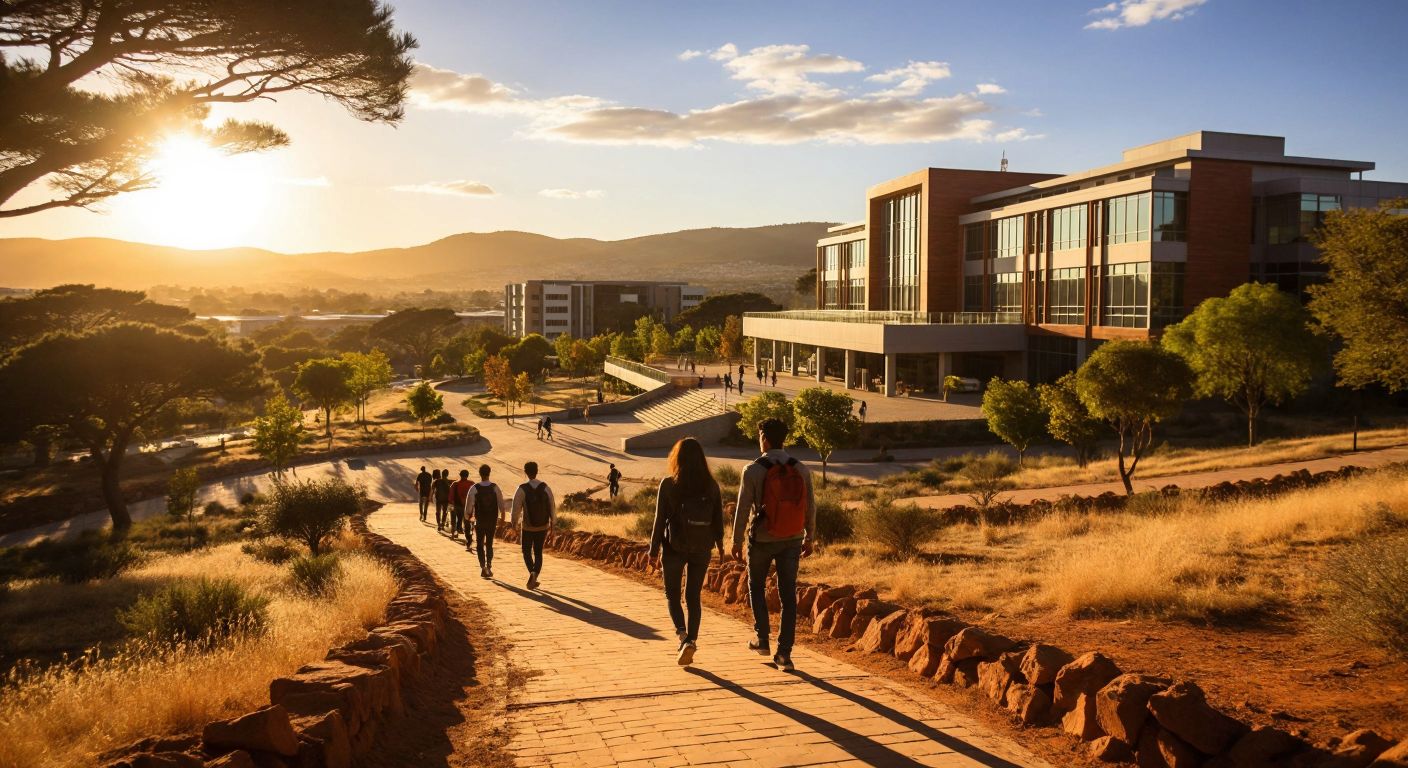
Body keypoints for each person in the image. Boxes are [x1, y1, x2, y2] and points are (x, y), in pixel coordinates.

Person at [731, 418, 816, 672]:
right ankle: (784, 654)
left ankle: (762, 639)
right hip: (792, 538)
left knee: (756, 586)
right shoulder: (800, 468)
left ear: (764, 439)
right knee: (788, 595)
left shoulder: (753, 470)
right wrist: (810, 536)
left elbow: (743, 507)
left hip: (762, 539)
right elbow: (810, 505)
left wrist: (735, 540)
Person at [650, 438, 725, 666]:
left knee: (672, 595)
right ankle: (691, 639)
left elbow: (659, 520)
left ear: (677, 458)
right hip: (702, 548)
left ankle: (683, 637)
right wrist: (720, 546)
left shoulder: (669, 484)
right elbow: (718, 519)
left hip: (674, 547)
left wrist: (653, 550)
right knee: (693, 597)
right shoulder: (711, 485)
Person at [512, 461, 555, 589]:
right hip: (543, 526)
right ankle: (535, 574)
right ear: (537, 471)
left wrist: (514, 525)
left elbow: (516, 509)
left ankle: (532, 573)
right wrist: (553, 526)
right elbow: (552, 507)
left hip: (527, 527)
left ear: (525, 472)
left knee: (526, 551)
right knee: (538, 552)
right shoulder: (546, 488)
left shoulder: (522, 489)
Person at [467, 464, 505, 578]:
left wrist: (467, 517)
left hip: (480, 521)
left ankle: (483, 567)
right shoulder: (495, 487)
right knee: (489, 544)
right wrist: (502, 518)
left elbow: (469, 507)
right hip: (492, 521)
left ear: (480, 473)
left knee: (479, 544)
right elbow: (501, 505)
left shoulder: (474, 488)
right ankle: (489, 566)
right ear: (489, 473)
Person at [450, 469, 475, 539]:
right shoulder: (472, 483)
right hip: (467, 506)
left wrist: (450, 503)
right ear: (467, 475)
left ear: (460, 475)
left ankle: (453, 534)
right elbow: (475, 494)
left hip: (456, 505)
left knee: (454, 520)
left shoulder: (455, 484)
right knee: (467, 522)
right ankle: (468, 539)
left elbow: (450, 496)